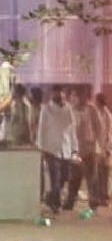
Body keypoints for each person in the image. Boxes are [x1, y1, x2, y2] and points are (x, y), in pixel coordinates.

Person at [36, 86, 73, 214]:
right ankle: (55, 204)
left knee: (64, 176)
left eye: (61, 93)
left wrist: (75, 148)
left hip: (66, 148)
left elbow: (72, 129)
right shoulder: (46, 109)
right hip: (50, 148)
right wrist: (40, 147)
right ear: (53, 94)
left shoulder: (68, 108)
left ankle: (50, 197)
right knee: (55, 178)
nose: (59, 95)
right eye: (56, 93)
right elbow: (41, 128)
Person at [67, 87, 104, 211]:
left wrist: (99, 144)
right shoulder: (69, 110)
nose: (75, 98)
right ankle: (70, 202)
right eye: (73, 95)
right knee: (74, 178)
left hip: (89, 148)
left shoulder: (91, 109)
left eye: (77, 95)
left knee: (91, 177)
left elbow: (99, 127)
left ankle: (93, 202)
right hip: (75, 149)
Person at [95, 92, 112, 208]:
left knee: (103, 175)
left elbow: (109, 134)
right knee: (99, 174)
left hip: (104, 149)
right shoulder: (99, 113)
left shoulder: (106, 115)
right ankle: (101, 197)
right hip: (98, 148)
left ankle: (104, 197)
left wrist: (107, 148)